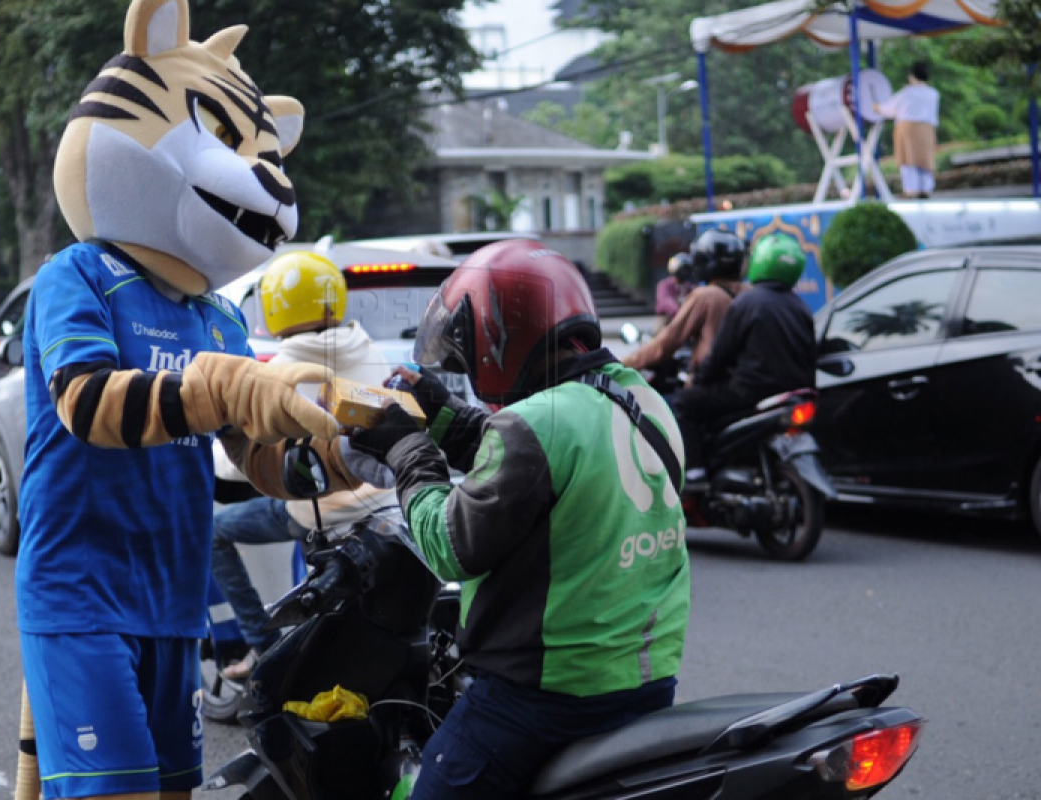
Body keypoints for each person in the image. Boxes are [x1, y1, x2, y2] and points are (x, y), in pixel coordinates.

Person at [10, 2, 385, 798]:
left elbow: (251, 455)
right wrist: (224, 385)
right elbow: (86, 404)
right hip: (81, 596)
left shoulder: (215, 314)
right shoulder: (77, 275)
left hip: (173, 604)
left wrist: (348, 451)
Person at [350, 239, 690, 800]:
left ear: (500, 333)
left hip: (542, 698)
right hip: (645, 687)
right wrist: (441, 416)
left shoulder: (535, 424)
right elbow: (546, 475)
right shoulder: (644, 402)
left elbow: (448, 546)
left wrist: (407, 449)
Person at [210, 251, 396, 680]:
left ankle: (263, 646)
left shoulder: (284, 367)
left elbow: (241, 465)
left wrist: (220, 446)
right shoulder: (366, 347)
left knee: (212, 535)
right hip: (387, 503)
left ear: (276, 306)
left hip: (323, 507)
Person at [669, 234, 816, 485]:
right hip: (794, 393)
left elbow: (720, 353)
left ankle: (694, 472)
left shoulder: (747, 302)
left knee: (683, 403)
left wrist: (700, 377)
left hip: (748, 394)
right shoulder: (800, 306)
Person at [622, 229, 746, 381]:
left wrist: (621, 365)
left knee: (677, 402)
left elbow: (665, 344)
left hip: (718, 383)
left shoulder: (704, 295)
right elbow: (666, 303)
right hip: (746, 380)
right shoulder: (751, 292)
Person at [876, 61, 940, 199]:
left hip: (908, 129)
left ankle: (911, 190)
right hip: (927, 128)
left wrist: (875, 106)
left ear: (912, 76)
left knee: (908, 159)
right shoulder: (933, 94)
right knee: (925, 159)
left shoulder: (906, 93)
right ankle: (926, 189)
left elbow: (888, 109)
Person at [654, 252, 696, 326]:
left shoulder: (689, 286)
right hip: (667, 319)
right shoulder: (665, 285)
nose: (686, 272)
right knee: (662, 333)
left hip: (686, 319)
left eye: (687, 270)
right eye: (684, 269)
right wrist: (679, 310)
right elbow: (666, 300)